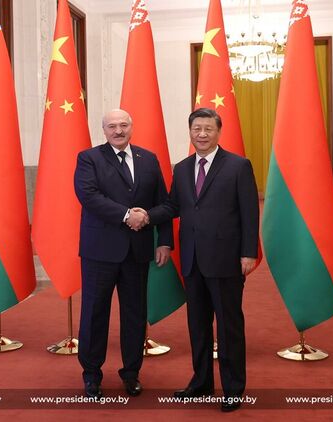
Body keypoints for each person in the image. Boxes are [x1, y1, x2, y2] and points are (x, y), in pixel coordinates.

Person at [143, 107, 259, 412]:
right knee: (198, 325)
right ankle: (201, 382)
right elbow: (172, 206)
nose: (202, 134)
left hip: (226, 260)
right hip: (192, 260)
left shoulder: (238, 166)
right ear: (190, 132)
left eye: (208, 129)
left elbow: (249, 212)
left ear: (218, 132)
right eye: (197, 129)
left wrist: (249, 252)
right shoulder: (182, 168)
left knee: (229, 327)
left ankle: (233, 389)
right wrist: (145, 216)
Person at [73, 108, 172, 399]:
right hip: (99, 252)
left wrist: (164, 241)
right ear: (103, 130)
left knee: (135, 314)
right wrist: (128, 215)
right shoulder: (89, 158)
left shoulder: (148, 159)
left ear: (131, 126)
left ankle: (131, 373)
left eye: (124, 125)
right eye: (112, 126)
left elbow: (163, 203)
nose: (118, 130)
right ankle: (92, 375)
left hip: (137, 252)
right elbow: (89, 196)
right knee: (94, 314)